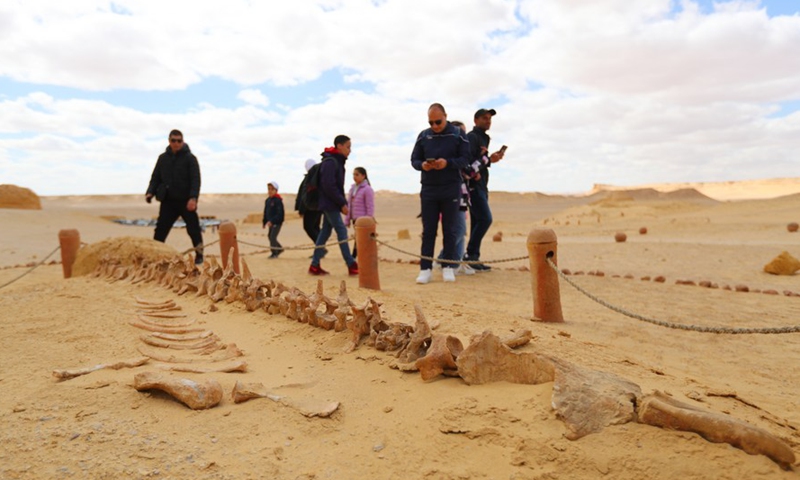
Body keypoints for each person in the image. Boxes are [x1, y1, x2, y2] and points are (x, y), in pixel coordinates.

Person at [410, 103, 469, 284]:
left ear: (445, 116)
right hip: (429, 188)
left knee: (450, 229)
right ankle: (425, 268)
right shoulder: (423, 136)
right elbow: (414, 159)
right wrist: (423, 165)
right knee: (428, 230)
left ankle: (448, 266)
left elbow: (465, 159)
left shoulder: (458, 134)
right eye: (431, 122)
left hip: (450, 187)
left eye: (438, 121)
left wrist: (447, 163)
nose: (435, 126)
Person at [145, 129, 204, 265]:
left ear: (182, 141)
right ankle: (155, 255)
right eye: (173, 140)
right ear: (169, 141)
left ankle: (199, 255)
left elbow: (196, 180)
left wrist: (193, 198)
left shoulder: (190, 158)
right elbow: (155, 177)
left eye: (179, 141)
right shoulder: (162, 158)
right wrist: (150, 192)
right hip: (168, 201)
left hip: (186, 201)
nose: (176, 143)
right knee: (160, 230)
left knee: (193, 229)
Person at [308, 135, 359, 276]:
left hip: (330, 203)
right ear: (339, 145)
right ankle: (351, 264)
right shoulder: (331, 162)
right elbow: (329, 186)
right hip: (329, 204)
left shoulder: (337, 161)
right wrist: (342, 203)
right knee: (342, 231)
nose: (350, 150)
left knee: (325, 232)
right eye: (348, 147)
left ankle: (314, 265)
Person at [464, 108, 505, 271]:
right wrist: (489, 160)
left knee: (476, 221)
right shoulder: (472, 137)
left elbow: (481, 160)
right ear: (475, 120)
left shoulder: (483, 138)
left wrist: (490, 159)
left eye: (489, 119)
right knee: (485, 219)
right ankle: (469, 256)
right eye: (484, 118)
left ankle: (474, 259)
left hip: (482, 186)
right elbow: (468, 162)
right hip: (474, 187)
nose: (488, 121)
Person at [435, 121, 473, 275]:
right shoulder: (453, 156)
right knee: (458, 231)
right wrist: (486, 160)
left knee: (461, 232)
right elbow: (469, 171)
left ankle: (456, 263)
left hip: (462, 196)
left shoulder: (461, 153)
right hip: (452, 196)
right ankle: (442, 259)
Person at [295, 159, 326, 258]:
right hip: (318, 208)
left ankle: (321, 249)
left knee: (309, 227)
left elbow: (304, 196)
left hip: (310, 208)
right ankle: (320, 249)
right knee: (315, 228)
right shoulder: (319, 178)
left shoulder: (309, 179)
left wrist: (301, 210)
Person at [344, 167, 375, 258]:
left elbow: (370, 206)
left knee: (361, 239)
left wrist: (369, 219)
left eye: (357, 174)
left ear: (363, 176)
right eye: (353, 174)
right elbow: (349, 205)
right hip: (355, 219)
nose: (354, 177)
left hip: (363, 220)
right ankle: (356, 256)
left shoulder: (367, 189)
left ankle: (354, 256)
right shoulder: (352, 188)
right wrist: (347, 219)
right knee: (358, 238)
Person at [262, 181, 285, 259]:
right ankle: (279, 248)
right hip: (270, 223)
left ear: (276, 190)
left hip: (277, 223)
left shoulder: (278, 200)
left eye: (272, 189)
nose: (270, 191)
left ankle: (274, 253)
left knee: (272, 237)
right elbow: (266, 212)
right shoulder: (267, 200)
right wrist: (264, 222)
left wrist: (273, 221)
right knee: (270, 236)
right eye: (269, 189)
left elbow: (280, 214)